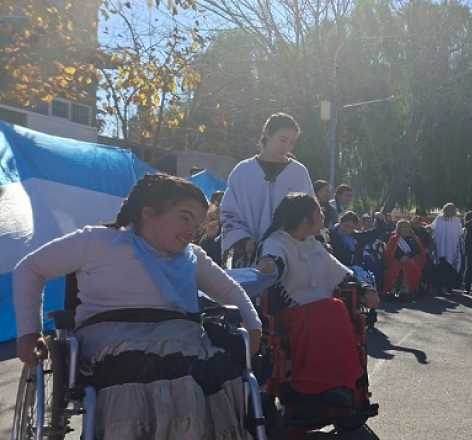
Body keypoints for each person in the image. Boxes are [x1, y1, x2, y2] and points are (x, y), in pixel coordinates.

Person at [14, 174, 262, 439]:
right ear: (148, 213)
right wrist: (29, 333)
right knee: (157, 372)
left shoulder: (193, 258)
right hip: (111, 338)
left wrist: (254, 326)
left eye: (198, 225)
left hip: (181, 338)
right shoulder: (99, 241)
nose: (193, 231)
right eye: (185, 217)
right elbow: (30, 268)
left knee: (212, 370)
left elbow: (231, 290)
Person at [256, 193, 379, 405]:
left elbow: (341, 272)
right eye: (318, 214)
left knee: (337, 311)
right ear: (306, 219)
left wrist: (366, 288)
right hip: (287, 312)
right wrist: (269, 265)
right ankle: (311, 388)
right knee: (332, 310)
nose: (323, 217)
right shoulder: (275, 242)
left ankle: (342, 383)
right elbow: (274, 263)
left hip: (318, 310)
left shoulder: (312, 243)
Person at [220, 112, 314, 267]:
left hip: (289, 255)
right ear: (268, 134)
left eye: (292, 142)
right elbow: (229, 213)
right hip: (248, 256)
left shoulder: (298, 172)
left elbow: (309, 213)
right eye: (283, 140)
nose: (287, 147)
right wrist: (243, 240)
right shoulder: (242, 171)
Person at [383, 220, 428, 297]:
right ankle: (392, 290)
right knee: (394, 268)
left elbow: (418, 251)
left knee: (409, 266)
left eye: (406, 227)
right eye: (402, 227)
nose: (404, 229)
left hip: (411, 259)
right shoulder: (394, 238)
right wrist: (400, 257)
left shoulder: (414, 238)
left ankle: (407, 290)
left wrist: (408, 256)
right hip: (396, 260)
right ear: (398, 228)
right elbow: (390, 252)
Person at [432, 203, 464, 292]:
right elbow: (434, 230)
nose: (450, 211)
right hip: (441, 245)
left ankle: (449, 285)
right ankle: (440, 286)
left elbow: (460, 233)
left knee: (451, 266)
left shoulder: (456, 220)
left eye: (452, 209)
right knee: (441, 265)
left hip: (452, 247)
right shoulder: (439, 219)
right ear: (445, 210)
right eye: (448, 209)